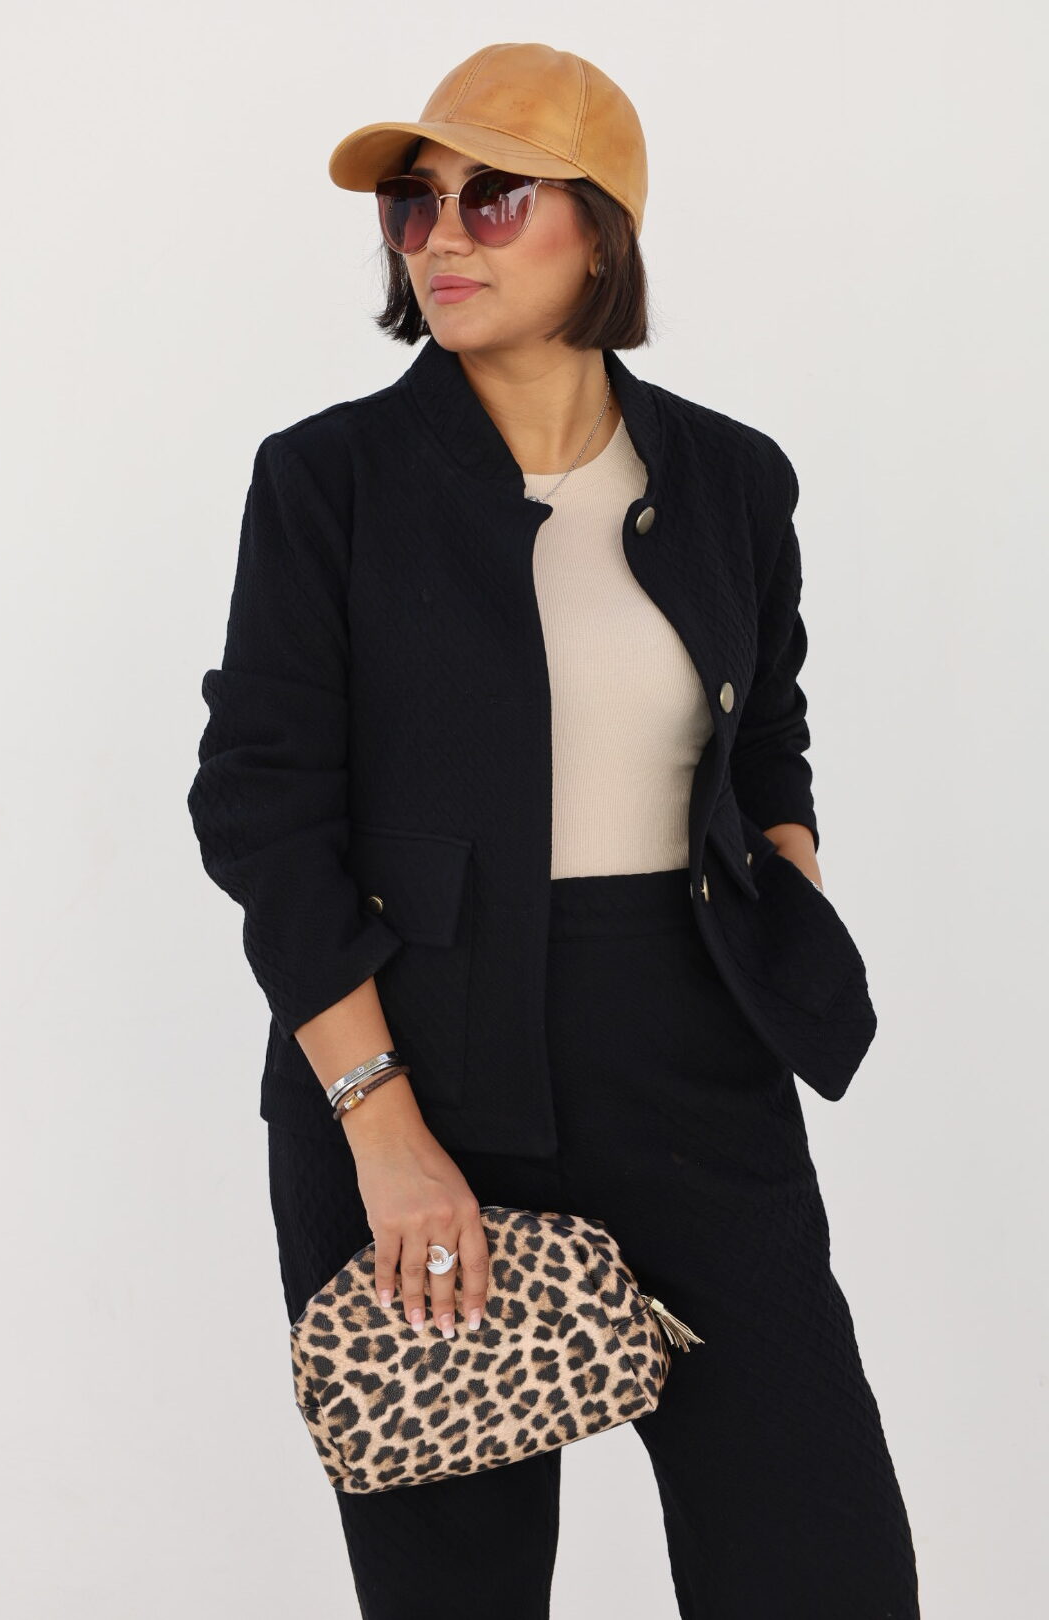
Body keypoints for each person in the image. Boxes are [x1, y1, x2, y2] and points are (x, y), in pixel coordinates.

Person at [188, 41, 921, 1619]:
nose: (441, 236)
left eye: (495, 198)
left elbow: (766, 734)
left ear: (603, 231)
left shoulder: (731, 478)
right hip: (410, 1057)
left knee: (818, 1554)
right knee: (456, 1590)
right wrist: (383, 1132)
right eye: (414, 204)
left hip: (689, 1062)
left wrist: (783, 899)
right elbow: (261, 807)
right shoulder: (326, 482)